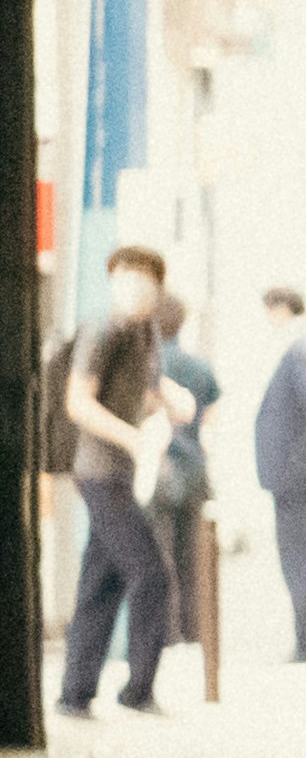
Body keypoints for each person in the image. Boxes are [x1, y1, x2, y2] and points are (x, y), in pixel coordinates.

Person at [50, 249, 199, 717]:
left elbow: (146, 392)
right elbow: (79, 402)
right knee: (151, 573)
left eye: (143, 279)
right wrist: (133, 439)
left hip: (118, 472)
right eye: (124, 277)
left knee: (101, 582)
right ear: (112, 283)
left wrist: (174, 400)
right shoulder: (103, 330)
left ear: (157, 289)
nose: (133, 286)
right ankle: (137, 691)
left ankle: (74, 694)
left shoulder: (144, 333)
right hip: (99, 471)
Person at [253, 288, 306, 664]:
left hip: (296, 474)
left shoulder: (300, 350)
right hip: (299, 471)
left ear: (282, 309)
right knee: (297, 556)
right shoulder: (305, 348)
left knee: (296, 557)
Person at [143, 285, 220, 654]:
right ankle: (196, 632)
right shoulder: (199, 366)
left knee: (162, 554)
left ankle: (168, 634)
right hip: (194, 468)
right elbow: (210, 417)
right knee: (195, 557)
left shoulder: (150, 363)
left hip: (159, 468)